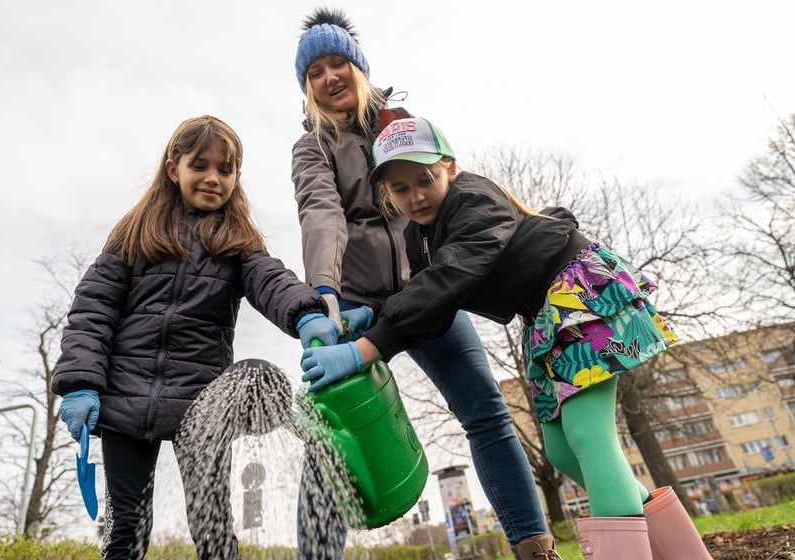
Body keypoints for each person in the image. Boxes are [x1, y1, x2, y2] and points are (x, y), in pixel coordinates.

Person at [301, 116, 714, 560]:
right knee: (562, 451)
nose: (415, 195)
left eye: (425, 179)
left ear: (451, 169)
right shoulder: (421, 235)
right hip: (544, 317)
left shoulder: (476, 201)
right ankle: (684, 553)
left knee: (589, 438)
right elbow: (427, 300)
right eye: (400, 188)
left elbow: (448, 280)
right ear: (386, 192)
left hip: (578, 298)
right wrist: (373, 314)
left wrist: (367, 350)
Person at [291, 8, 560, 560]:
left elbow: (445, 202)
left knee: (485, 409)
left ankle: (534, 547)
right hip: (352, 305)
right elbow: (322, 214)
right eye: (315, 72)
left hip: (429, 288)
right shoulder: (311, 147)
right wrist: (325, 294)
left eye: (338, 63)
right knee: (330, 434)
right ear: (307, 87)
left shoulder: (402, 125)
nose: (329, 77)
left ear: (359, 68)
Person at [51, 115, 339, 560]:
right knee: (124, 526)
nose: (213, 178)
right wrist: (80, 384)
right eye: (199, 165)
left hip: (202, 407)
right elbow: (92, 312)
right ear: (173, 168)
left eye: (226, 169)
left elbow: (271, 281)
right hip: (125, 399)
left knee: (212, 523)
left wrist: (305, 313)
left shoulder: (237, 242)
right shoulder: (134, 235)